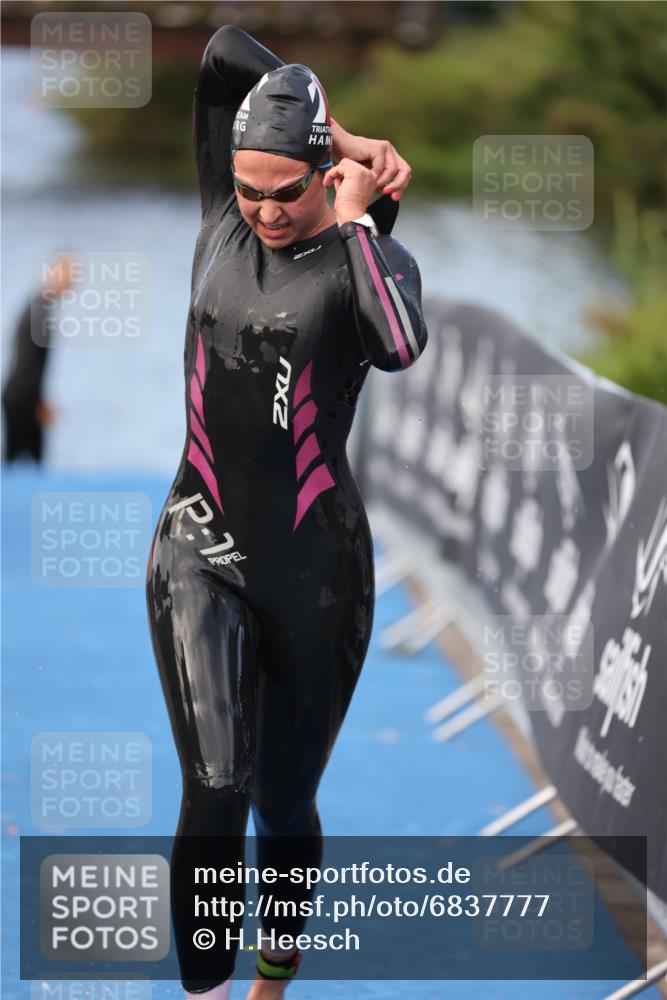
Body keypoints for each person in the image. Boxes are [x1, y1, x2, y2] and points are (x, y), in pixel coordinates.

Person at [145, 24, 428, 1000]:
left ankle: (273, 972)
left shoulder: (366, 264)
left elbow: (396, 347)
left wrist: (356, 221)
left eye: (286, 191)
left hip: (316, 572)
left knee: (282, 798)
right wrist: (337, 130)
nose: (263, 210)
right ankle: (206, 991)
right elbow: (225, 49)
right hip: (199, 541)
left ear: (330, 188)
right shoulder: (220, 219)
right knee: (216, 783)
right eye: (247, 188)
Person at [2, 254, 75, 463]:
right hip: (21, 396)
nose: (73, 282)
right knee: (24, 462)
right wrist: (37, 402)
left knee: (17, 460)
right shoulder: (39, 312)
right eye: (69, 274)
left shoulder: (38, 306)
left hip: (19, 394)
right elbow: (27, 363)